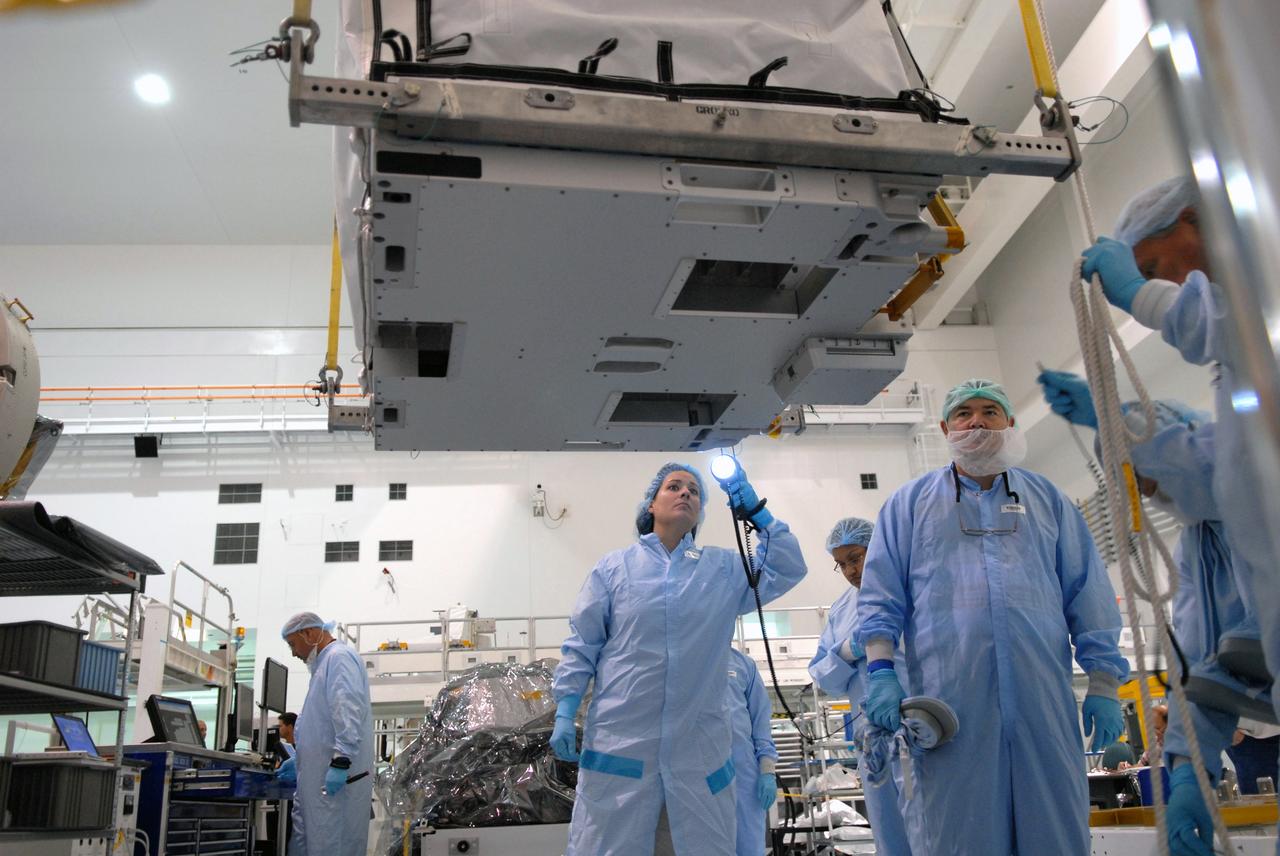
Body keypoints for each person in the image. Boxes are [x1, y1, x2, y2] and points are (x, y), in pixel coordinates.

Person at [855, 378, 1130, 856]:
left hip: (1041, 700)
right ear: (944, 427)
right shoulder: (908, 505)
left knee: (1056, 833)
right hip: (951, 706)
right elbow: (880, 596)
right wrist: (880, 671)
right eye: (964, 413)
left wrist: (1105, 685)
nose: (976, 421)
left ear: (1010, 423)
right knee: (959, 835)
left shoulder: (1048, 501)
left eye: (989, 411)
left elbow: (1089, 594)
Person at [1080, 177, 1280, 734]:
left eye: (1154, 265)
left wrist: (1143, 297)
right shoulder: (1216, 543)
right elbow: (1201, 650)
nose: (1160, 282)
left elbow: (1232, 324)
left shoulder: (1261, 294)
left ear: (1195, 221)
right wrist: (1191, 755)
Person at [551, 462, 806, 856]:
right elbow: (582, 645)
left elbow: (788, 566)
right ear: (651, 504)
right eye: (674, 486)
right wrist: (565, 710)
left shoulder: (722, 570)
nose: (686, 493)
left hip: (698, 757)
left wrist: (755, 511)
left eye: (695, 490)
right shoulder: (614, 570)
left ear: (701, 513)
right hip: (622, 751)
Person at [807, 516, 911, 855]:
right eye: (842, 564)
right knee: (888, 830)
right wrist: (848, 651)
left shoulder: (911, 589)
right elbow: (823, 675)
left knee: (933, 825)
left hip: (918, 730)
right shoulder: (840, 611)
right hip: (871, 742)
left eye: (856, 557)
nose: (850, 570)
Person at [275, 612, 374, 856]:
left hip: (336, 787)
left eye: (292, 644)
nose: (293, 653)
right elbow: (321, 725)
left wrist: (341, 761)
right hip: (319, 784)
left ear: (308, 634)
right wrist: (300, 761)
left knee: (332, 846)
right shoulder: (324, 664)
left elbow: (347, 712)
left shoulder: (338, 658)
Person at [726, 647, 778, 856]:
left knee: (749, 844)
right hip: (697, 768)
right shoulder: (687, 659)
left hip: (743, 771)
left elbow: (761, 722)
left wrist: (767, 770)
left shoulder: (743, 664)